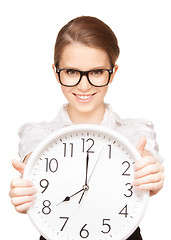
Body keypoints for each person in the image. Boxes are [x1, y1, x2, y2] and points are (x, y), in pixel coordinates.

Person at [9, 16, 164, 240]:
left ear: (113, 72)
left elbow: (146, 152)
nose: (84, 85)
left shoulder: (134, 130)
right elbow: (33, 156)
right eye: (72, 72)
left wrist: (150, 170)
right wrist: (25, 186)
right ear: (56, 72)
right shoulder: (38, 133)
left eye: (97, 72)